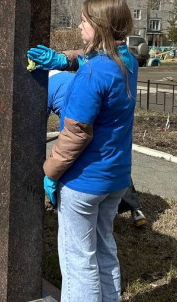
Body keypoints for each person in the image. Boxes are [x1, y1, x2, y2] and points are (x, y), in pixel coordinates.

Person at [28, 0, 138, 302]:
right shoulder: (127, 61)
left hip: (83, 181)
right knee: (105, 248)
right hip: (115, 179)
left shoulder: (92, 73)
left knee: (78, 256)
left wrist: (49, 173)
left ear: (99, 28)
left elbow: (76, 134)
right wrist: (64, 59)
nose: (79, 26)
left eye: (83, 21)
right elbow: (95, 58)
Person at [47, 71, 146, 227]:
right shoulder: (70, 76)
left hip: (77, 124)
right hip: (100, 120)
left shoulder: (45, 86)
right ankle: (136, 209)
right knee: (108, 159)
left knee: (67, 160)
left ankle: (57, 203)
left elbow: (40, 124)